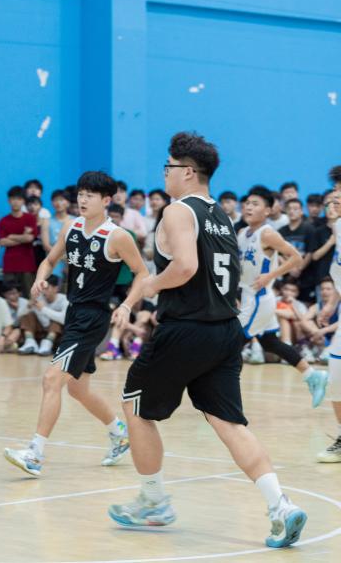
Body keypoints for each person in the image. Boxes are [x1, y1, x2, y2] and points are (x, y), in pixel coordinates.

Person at [109, 133, 306, 549]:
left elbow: (184, 267)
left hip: (186, 328)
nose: (164, 173)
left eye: (168, 166)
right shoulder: (221, 216)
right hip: (225, 330)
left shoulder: (178, 211)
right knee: (229, 423)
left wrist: (151, 286)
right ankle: (281, 506)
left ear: (187, 172)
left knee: (134, 407)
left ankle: (153, 501)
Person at [4, 171, 145, 477]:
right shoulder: (71, 227)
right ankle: (119, 433)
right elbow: (49, 260)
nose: (82, 199)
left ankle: (35, 454)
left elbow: (142, 273)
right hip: (74, 313)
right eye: (80, 194)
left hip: (93, 318)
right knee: (78, 390)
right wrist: (40, 279)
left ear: (106, 201)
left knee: (51, 380)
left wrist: (126, 305)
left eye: (89, 195)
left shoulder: (117, 236)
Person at [235, 187, 329, 404]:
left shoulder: (267, 233)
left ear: (268, 210)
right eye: (247, 203)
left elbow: (296, 257)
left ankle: (224, 395)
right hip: (248, 294)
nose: (249, 207)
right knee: (270, 342)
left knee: (232, 343)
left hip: (259, 297)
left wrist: (271, 275)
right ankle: (312, 375)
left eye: (255, 204)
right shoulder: (242, 233)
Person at [318, 166, 341, 463]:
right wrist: (331, 304)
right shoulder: (338, 227)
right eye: (335, 190)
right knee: (336, 377)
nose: (335, 196)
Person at [0, 187, 38, 296]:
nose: (16, 202)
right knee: (8, 296)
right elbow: (2, 242)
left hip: (27, 264)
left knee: (30, 296)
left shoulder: (30, 218)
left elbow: (30, 238)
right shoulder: (3, 221)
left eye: (19, 199)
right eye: (13, 199)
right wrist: (23, 237)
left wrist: (11, 236)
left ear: (23, 201)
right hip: (9, 265)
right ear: (9, 201)